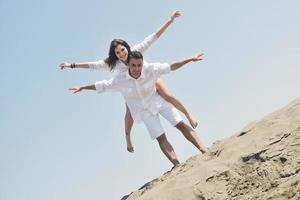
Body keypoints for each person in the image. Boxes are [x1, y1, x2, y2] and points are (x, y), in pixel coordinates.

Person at [59, 11, 198, 153]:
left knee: (168, 96)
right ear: (115, 55)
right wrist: (71, 65)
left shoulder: (136, 51)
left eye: (122, 50)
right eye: (118, 53)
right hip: (130, 87)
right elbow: (92, 65)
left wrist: (170, 20)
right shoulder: (112, 63)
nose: (121, 54)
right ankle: (128, 138)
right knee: (129, 112)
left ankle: (188, 116)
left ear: (127, 47)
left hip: (148, 79)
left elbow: (154, 37)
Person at [69, 51, 209, 166]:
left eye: (139, 65)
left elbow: (171, 66)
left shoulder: (150, 69)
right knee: (161, 137)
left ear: (143, 64)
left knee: (180, 124)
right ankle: (178, 165)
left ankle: (204, 150)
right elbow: (101, 85)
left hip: (157, 100)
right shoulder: (120, 79)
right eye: (133, 65)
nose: (136, 68)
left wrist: (190, 59)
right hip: (143, 111)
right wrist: (82, 87)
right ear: (128, 65)